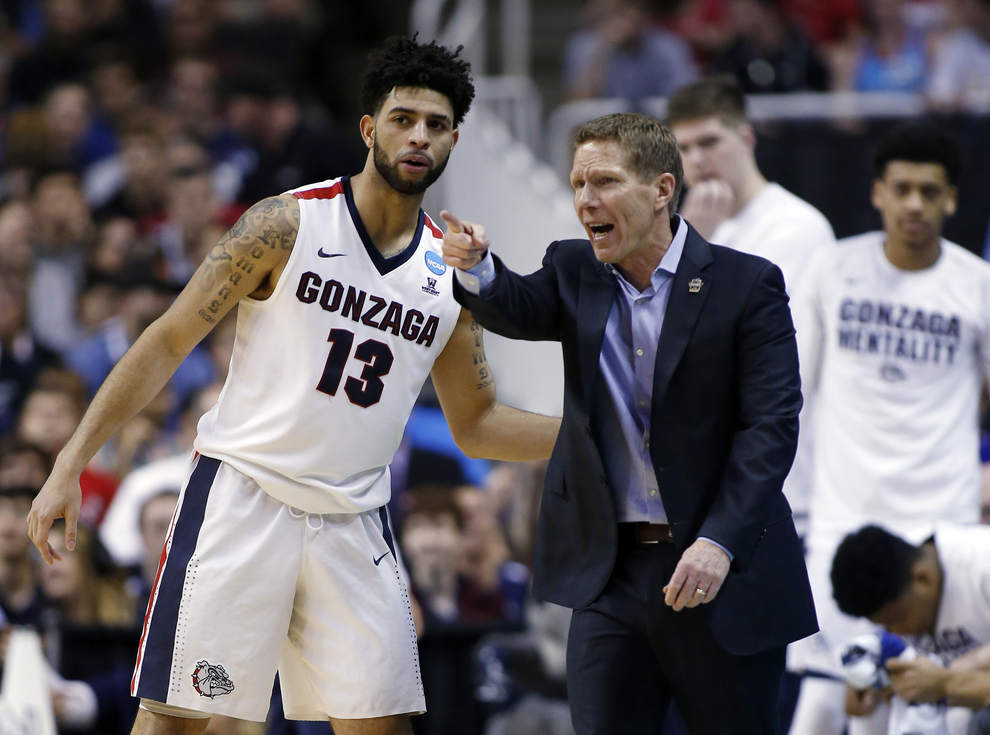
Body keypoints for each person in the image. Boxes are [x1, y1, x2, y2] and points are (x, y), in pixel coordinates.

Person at [27, 36, 559, 735]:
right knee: (178, 724)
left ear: (455, 139)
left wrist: (591, 432)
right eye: (403, 118)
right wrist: (71, 461)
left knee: (384, 726)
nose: (419, 136)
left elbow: (478, 424)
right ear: (370, 128)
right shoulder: (286, 222)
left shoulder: (451, 275)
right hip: (244, 497)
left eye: (435, 124)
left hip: (352, 519)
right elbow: (165, 340)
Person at [441, 112, 817, 734]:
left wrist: (719, 541)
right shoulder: (573, 269)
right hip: (610, 573)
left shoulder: (746, 285)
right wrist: (478, 267)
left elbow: (771, 427)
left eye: (606, 182)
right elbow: (517, 304)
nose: (586, 201)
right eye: (578, 185)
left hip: (717, 567)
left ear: (662, 190)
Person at [791, 121, 990, 735]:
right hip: (842, 525)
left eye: (930, 191)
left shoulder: (978, 286)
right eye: (901, 188)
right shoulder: (830, 270)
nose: (914, 204)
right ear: (877, 192)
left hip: (941, 536)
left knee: (933, 715)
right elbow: (792, 392)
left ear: (952, 199)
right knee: (831, 704)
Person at [667, 75, 835, 537]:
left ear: (745, 138)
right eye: (684, 147)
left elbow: (779, 360)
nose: (698, 160)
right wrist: (691, 239)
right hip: (705, 471)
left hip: (782, 477)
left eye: (709, 142)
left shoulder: (798, 228)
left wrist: (693, 246)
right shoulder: (681, 230)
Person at [831, 524, 990, 730]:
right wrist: (864, 685)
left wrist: (946, 682)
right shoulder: (879, 580)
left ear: (922, 578)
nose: (896, 632)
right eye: (885, 626)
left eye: (899, 619)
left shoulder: (981, 564)